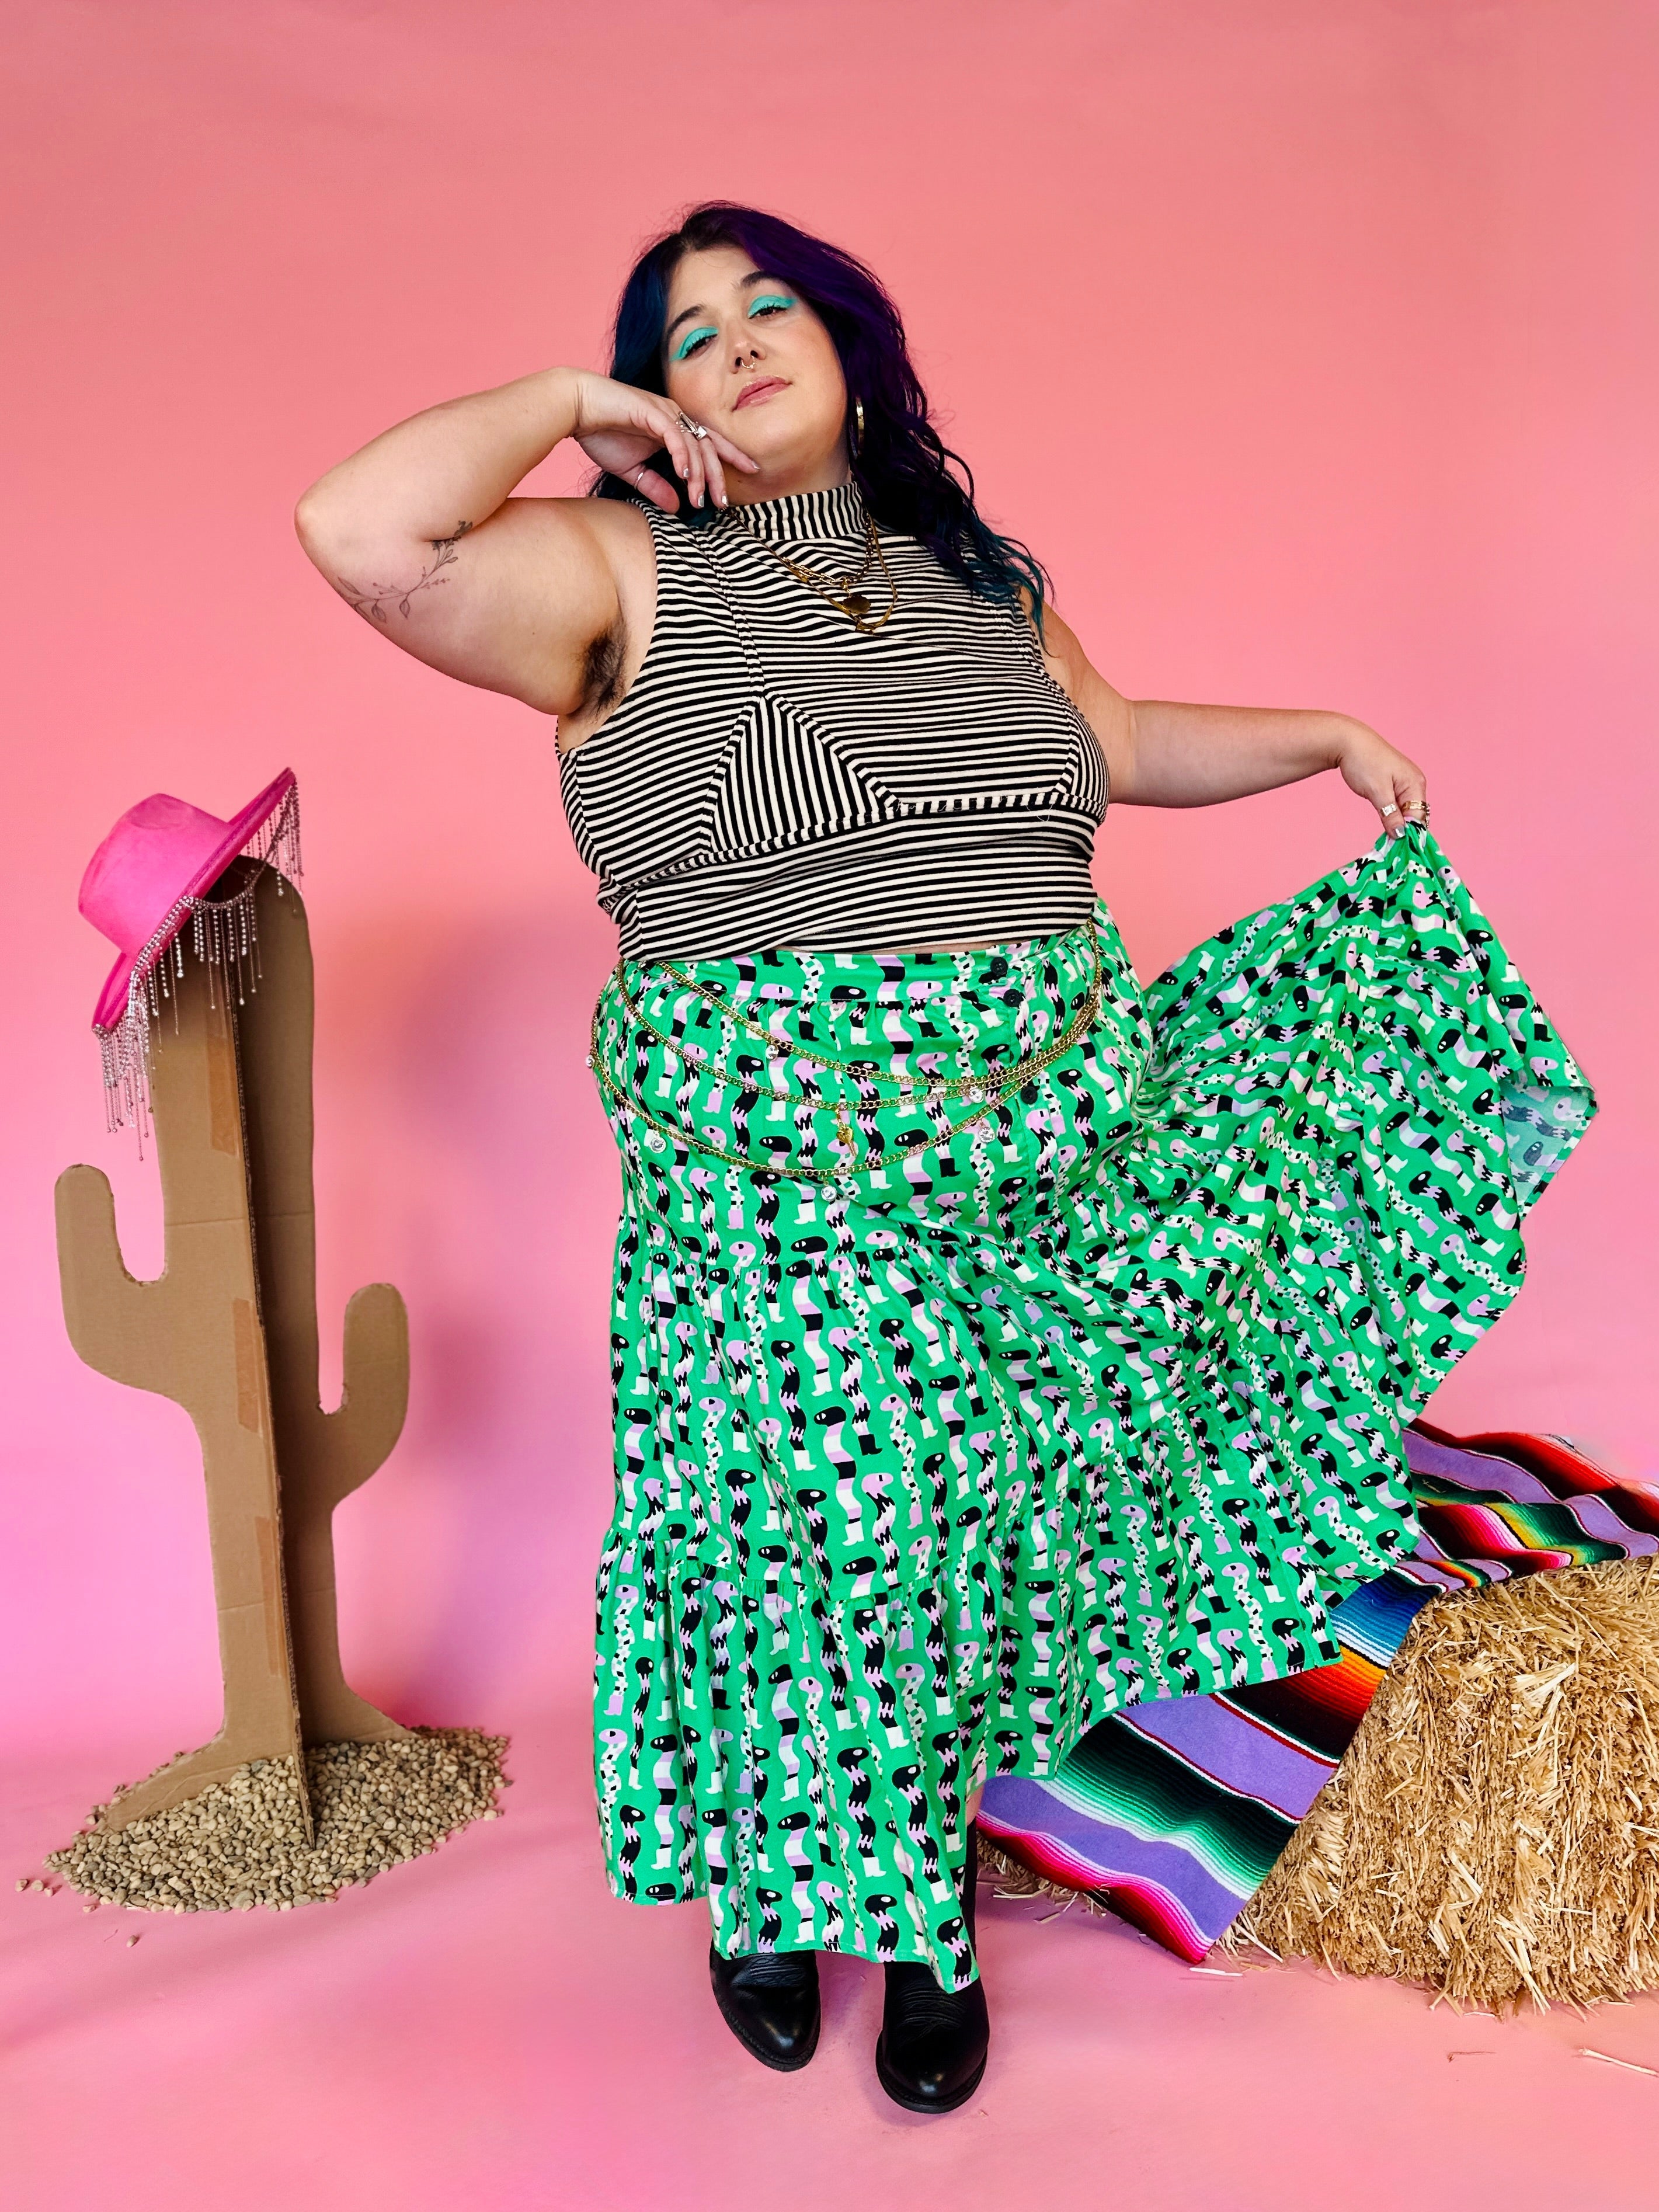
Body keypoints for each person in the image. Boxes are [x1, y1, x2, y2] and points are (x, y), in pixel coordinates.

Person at [294, 202, 1592, 2112]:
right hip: (777, 1186)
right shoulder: (611, 571)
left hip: (1042, 1166)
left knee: (947, 1542)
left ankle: (916, 1919)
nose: (731, 339)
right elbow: (357, 527)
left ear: (849, 338)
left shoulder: (981, 578)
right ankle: (776, 1888)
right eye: (683, 330)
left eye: (766, 304)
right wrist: (575, 400)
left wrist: (1323, 733)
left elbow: (1118, 739)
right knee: (782, 1536)